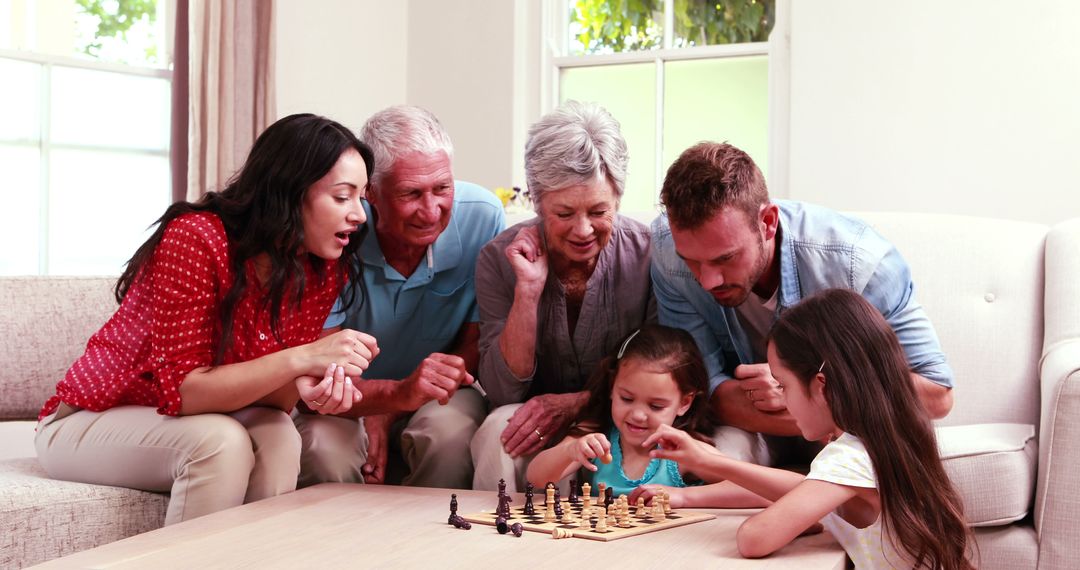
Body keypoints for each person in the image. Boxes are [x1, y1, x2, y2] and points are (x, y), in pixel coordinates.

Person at [35, 113, 379, 524]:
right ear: (289, 191)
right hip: (86, 421)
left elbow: (277, 401)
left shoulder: (320, 266)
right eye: (342, 197)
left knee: (279, 434)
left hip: (192, 419)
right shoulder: (196, 237)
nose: (358, 215)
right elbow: (184, 391)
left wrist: (308, 385)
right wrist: (301, 359)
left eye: (362, 197)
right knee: (222, 442)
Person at [651, 141, 954, 464]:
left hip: (850, 434)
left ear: (767, 222)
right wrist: (818, 404)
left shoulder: (859, 264)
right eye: (692, 261)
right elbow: (705, 393)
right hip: (764, 429)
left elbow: (936, 395)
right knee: (708, 460)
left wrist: (801, 385)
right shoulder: (669, 251)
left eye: (726, 258)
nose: (708, 280)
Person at [645, 289, 973, 569]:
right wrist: (707, 467)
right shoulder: (877, 443)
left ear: (820, 387)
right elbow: (802, 487)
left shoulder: (847, 458)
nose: (782, 399)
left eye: (783, 384)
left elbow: (753, 539)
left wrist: (792, 520)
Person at [294, 105, 504, 489]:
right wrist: (385, 401)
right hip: (345, 394)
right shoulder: (337, 230)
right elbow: (320, 371)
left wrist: (397, 405)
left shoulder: (484, 216)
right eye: (411, 193)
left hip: (435, 390)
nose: (431, 210)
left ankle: (430, 546)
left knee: (449, 437)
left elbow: (475, 340)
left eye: (443, 188)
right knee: (324, 447)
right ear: (370, 192)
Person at [471, 101, 656, 492]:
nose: (583, 229)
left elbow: (663, 373)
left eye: (598, 211)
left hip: (623, 415)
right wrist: (528, 290)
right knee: (497, 429)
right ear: (537, 204)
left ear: (618, 200)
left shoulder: (649, 255)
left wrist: (577, 403)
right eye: (565, 213)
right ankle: (489, 542)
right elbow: (504, 391)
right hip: (534, 419)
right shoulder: (497, 259)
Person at [526, 325, 766, 508]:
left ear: (684, 403)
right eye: (627, 399)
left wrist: (684, 496)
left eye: (656, 406)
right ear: (612, 387)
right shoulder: (596, 436)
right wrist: (569, 450)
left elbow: (760, 490)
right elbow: (537, 478)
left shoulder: (682, 451)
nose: (638, 415)